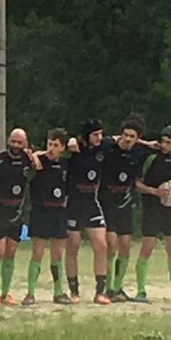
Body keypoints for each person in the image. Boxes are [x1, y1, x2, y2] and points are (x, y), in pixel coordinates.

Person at [134, 125, 171, 303]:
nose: (164, 145)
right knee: (147, 247)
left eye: (168, 142)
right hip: (152, 208)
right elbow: (137, 184)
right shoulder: (150, 157)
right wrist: (154, 191)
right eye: (162, 141)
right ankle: (141, 291)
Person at [99, 116, 152, 301]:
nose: (128, 139)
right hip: (107, 204)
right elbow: (97, 140)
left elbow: (163, 147)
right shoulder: (108, 147)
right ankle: (107, 288)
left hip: (126, 204)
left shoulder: (139, 153)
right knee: (111, 244)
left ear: (138, 138)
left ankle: (118, 287)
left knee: (125, 246)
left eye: (132, 136)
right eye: (125, 135)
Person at [22, 129, 73, 306]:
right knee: (37, 252)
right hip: (40, 211)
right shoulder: (38, 161)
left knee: (57, 254)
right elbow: (27, 156)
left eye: (56, 145)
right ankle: (30, 293)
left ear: (63, 147)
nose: (51, 148)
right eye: (49, 144)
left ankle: (59, 292)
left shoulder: (66, 164)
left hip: (59, 211)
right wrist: (37, 155)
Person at [65, 119, 111, 305]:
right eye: (95, 134)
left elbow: (124, 139)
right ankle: (74, 291)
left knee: (101, 245)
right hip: (73, 205)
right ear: (86, 136)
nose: (99, 137)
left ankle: (100, 292)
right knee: (73, 246)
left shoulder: (103, 147)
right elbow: (55, 148)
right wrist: (69, 143)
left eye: (100, 134)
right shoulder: (73, 149)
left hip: (91, 203)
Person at [0, 128, 32, 306]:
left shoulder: (29, 160)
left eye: (20, 143)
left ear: (25, 143)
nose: (16, 146)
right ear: (8, 141)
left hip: (16, 213)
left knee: (11, 252)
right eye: (13, 142)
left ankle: (6, 293)